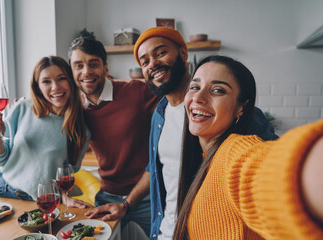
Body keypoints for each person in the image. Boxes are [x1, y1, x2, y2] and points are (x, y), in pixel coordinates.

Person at [132, 27, 278, 240]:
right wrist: (126, 204)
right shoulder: (160, 114)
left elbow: (270, 162)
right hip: (164, 232)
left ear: (183, 53)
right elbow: (156, 169)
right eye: (144, 62)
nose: (152, 64)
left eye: (160, 53)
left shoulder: (235, 142)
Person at [174, 55, 323, 239]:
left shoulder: (234, 153)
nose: (198, 97)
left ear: (240, 108)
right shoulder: (204, 157)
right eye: (195, 87)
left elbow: (273, 171)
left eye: (218, 90)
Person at [67, 37, 160, 236]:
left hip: (147, 196)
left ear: (105, 68)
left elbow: (176, 103)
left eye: (93, 64)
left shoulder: (136, 91)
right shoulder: (75, 109)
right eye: (78, 66)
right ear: (72, 72)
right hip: (108, 195)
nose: (86, 72)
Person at [0, 56, 90, 202]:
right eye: (46, 81)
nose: (55, 87)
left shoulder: (81, 127)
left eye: (61, 78)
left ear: (71, 82)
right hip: (9, 193)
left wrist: (64, 197)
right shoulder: (22, 109)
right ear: (38, 88)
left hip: (47, 199)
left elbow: (69, 170)